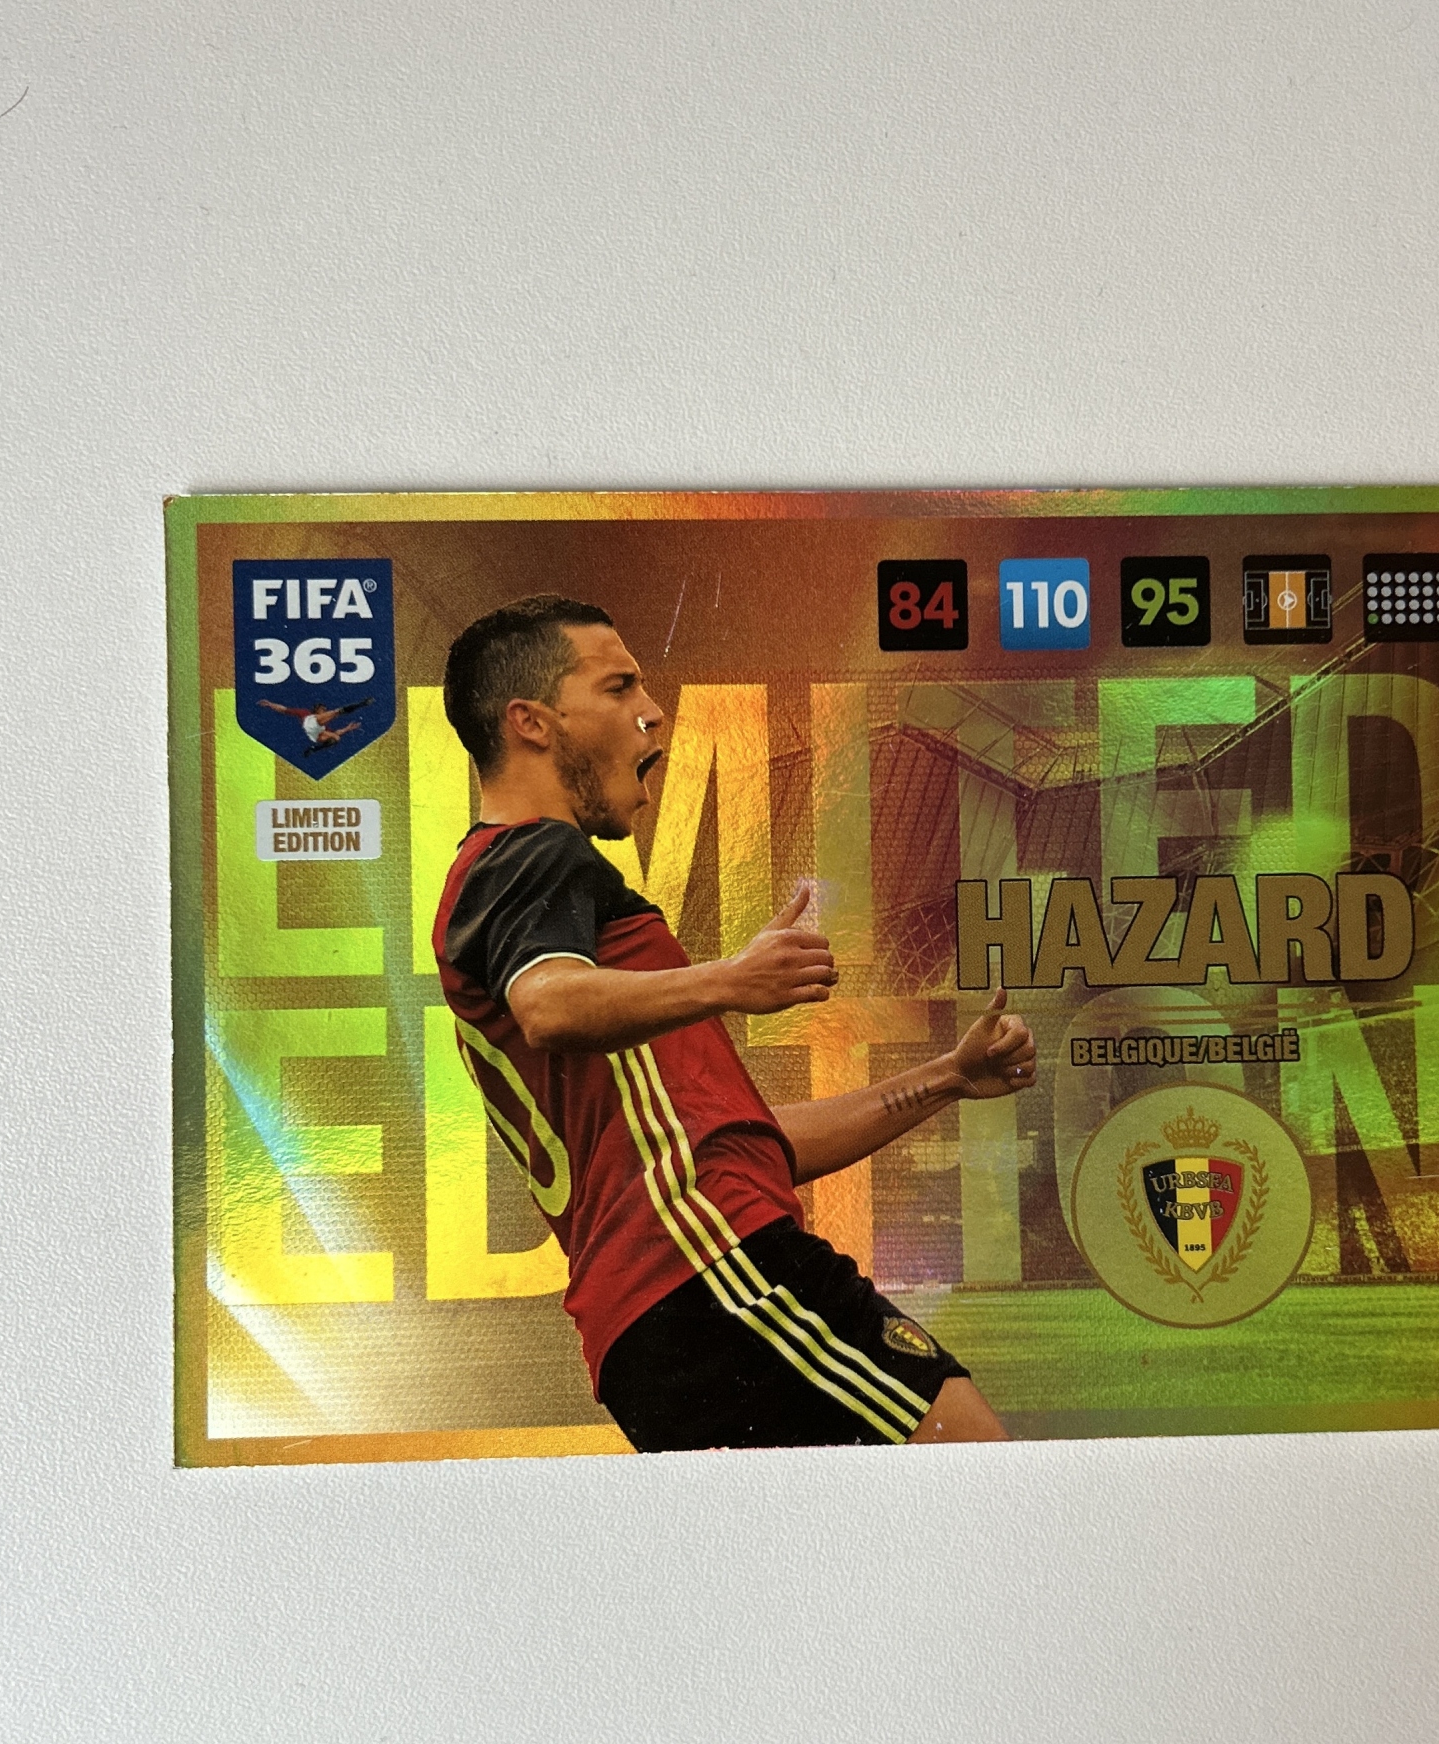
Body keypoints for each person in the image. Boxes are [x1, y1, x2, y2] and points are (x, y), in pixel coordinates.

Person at [432, 593, 1037, 1450]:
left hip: (666, 1318)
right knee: (974, 1463)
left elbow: (742, 1146)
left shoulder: (512, 893)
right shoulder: (531, 852)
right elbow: (548, 1004)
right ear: (530, 722)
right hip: (714, 1276)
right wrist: (732, 978)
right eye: (619, 687)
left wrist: (945, 1078)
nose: (652, 711)